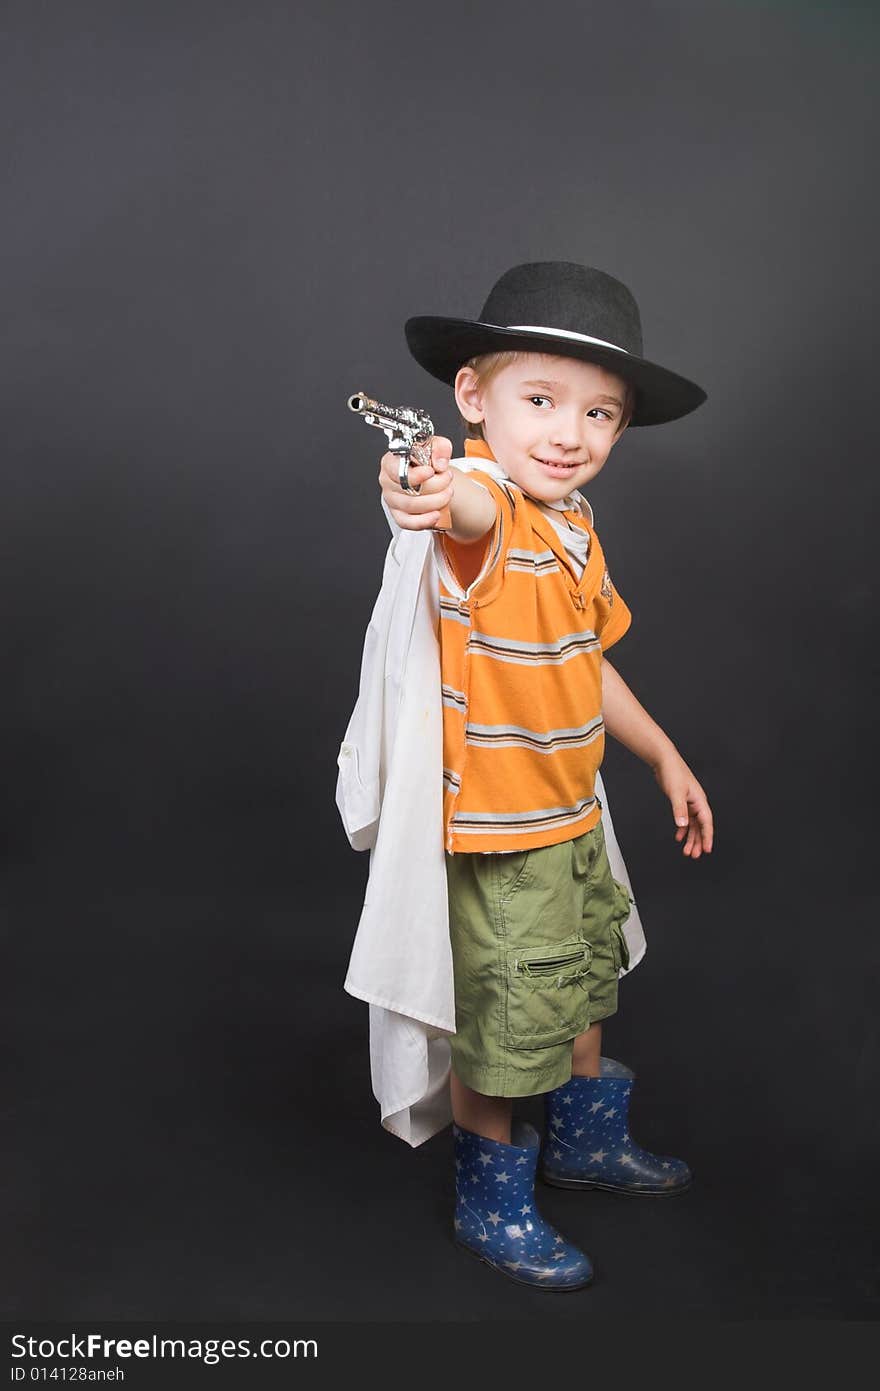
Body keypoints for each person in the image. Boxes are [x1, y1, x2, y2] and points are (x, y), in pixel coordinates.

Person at [365, 260, 713, 1290]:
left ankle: (584, 1139)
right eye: (541, 399)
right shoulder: (492, 507)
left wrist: (660, 753)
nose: (570, 432)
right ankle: (492, 1193)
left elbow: (585, 657)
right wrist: (419, 483)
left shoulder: (571, 527)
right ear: (474, 397)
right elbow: (451, 504)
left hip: (570, 813)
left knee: (586, 975)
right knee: (509, 1013)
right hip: (501, 829)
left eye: (600, 412)